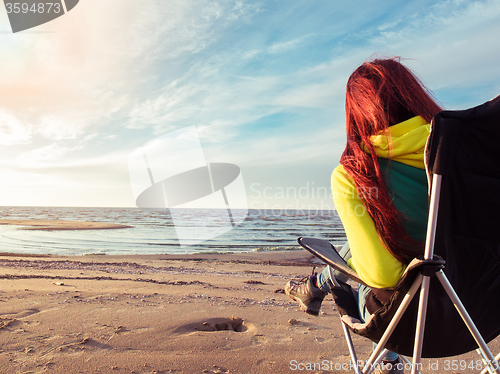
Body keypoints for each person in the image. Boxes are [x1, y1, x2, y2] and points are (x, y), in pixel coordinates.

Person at [285, 57, 443, 374]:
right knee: (382, 237)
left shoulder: (355, 175)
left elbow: (382, 277)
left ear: (358, 114)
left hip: (417, 322)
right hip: (483, 308)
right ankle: (315, 285)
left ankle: (320, 284)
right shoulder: (469, 150)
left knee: (370, 260)